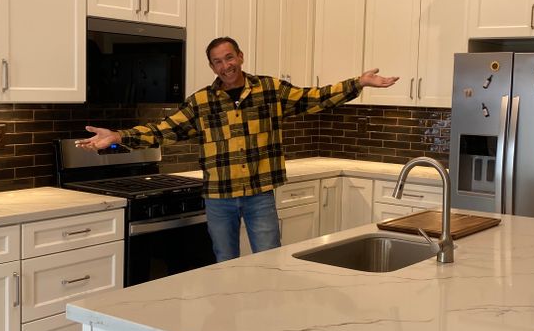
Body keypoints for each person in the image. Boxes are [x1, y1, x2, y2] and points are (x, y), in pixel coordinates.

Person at [75, 36, 398, 261]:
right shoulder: (201, 102)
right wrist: (118, 136)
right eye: (217, 62)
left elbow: (314, 98)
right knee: (225, 263)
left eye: (229, 57)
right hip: (219, 197)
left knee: (269, 260)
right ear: (212, 67)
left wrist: (358, 83)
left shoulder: (269, 90)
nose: (225, 66)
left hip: (259, 193)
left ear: (240, 56)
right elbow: (163, 130)